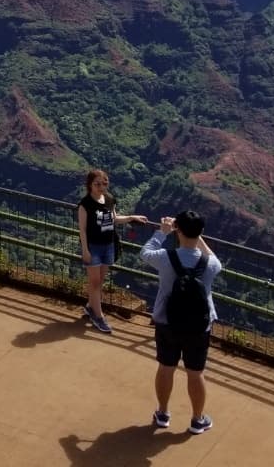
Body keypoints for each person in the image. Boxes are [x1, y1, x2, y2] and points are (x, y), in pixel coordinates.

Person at [140, 211, 223, 435]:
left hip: (167, 322)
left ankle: (163, 413)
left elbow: (144, 252)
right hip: (199, 327)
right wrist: (198, 236)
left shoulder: (165, 258)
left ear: (178, 230)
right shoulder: (211, 265)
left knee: (166, 367)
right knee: (195, 372)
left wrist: (162, 232)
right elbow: (213, 257)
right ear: (201, 232)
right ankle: (197, 420)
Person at [77, 169, 149, 334]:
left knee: (100, 281)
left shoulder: (109, 199)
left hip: (108, 245)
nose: (101, 187)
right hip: (93, 247)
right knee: (95, 282)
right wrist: (85, 250)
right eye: (97, 184)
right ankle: (99, 316)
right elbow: (82, 229)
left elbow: (114, 219)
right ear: (90, 185)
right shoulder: (85, 204)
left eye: (104, 183)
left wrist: (131, 217)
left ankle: (90, 306)